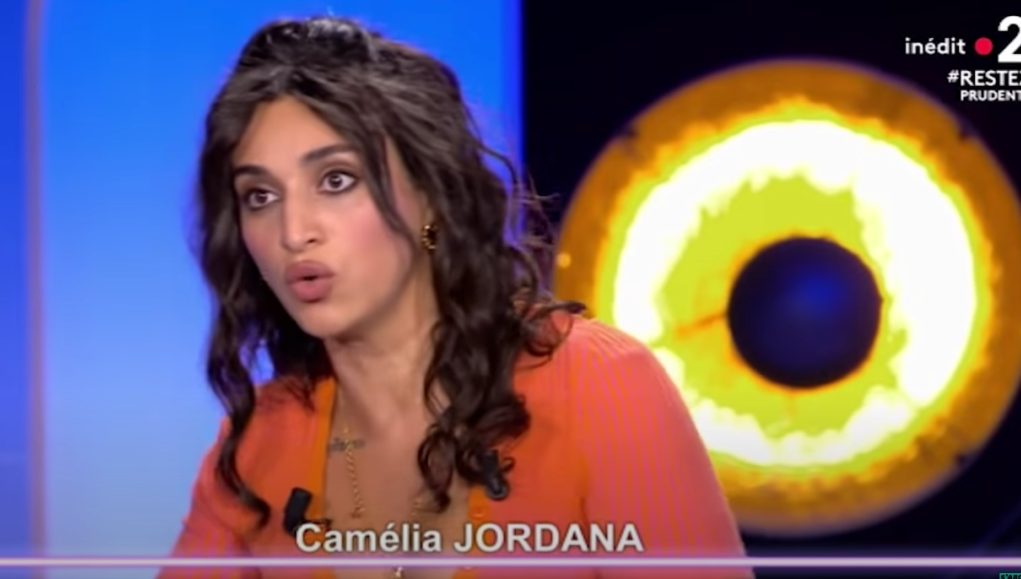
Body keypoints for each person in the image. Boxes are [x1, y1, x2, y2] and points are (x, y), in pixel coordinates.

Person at [159, 15, 751, 579]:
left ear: (431, 196)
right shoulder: (257, 449)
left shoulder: (596, 385)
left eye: (337, 180)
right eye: (260, 196)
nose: (294, 232)